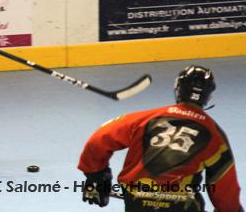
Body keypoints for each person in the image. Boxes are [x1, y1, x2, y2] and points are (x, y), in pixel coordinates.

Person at [78, 65, 242, 212]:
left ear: (178, 89)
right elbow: (225, 189)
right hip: (181, 203)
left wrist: (96, 177)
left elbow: (99, 138)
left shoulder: (143, 119)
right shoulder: (215, 136)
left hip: (136, 198)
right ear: (209, 97)